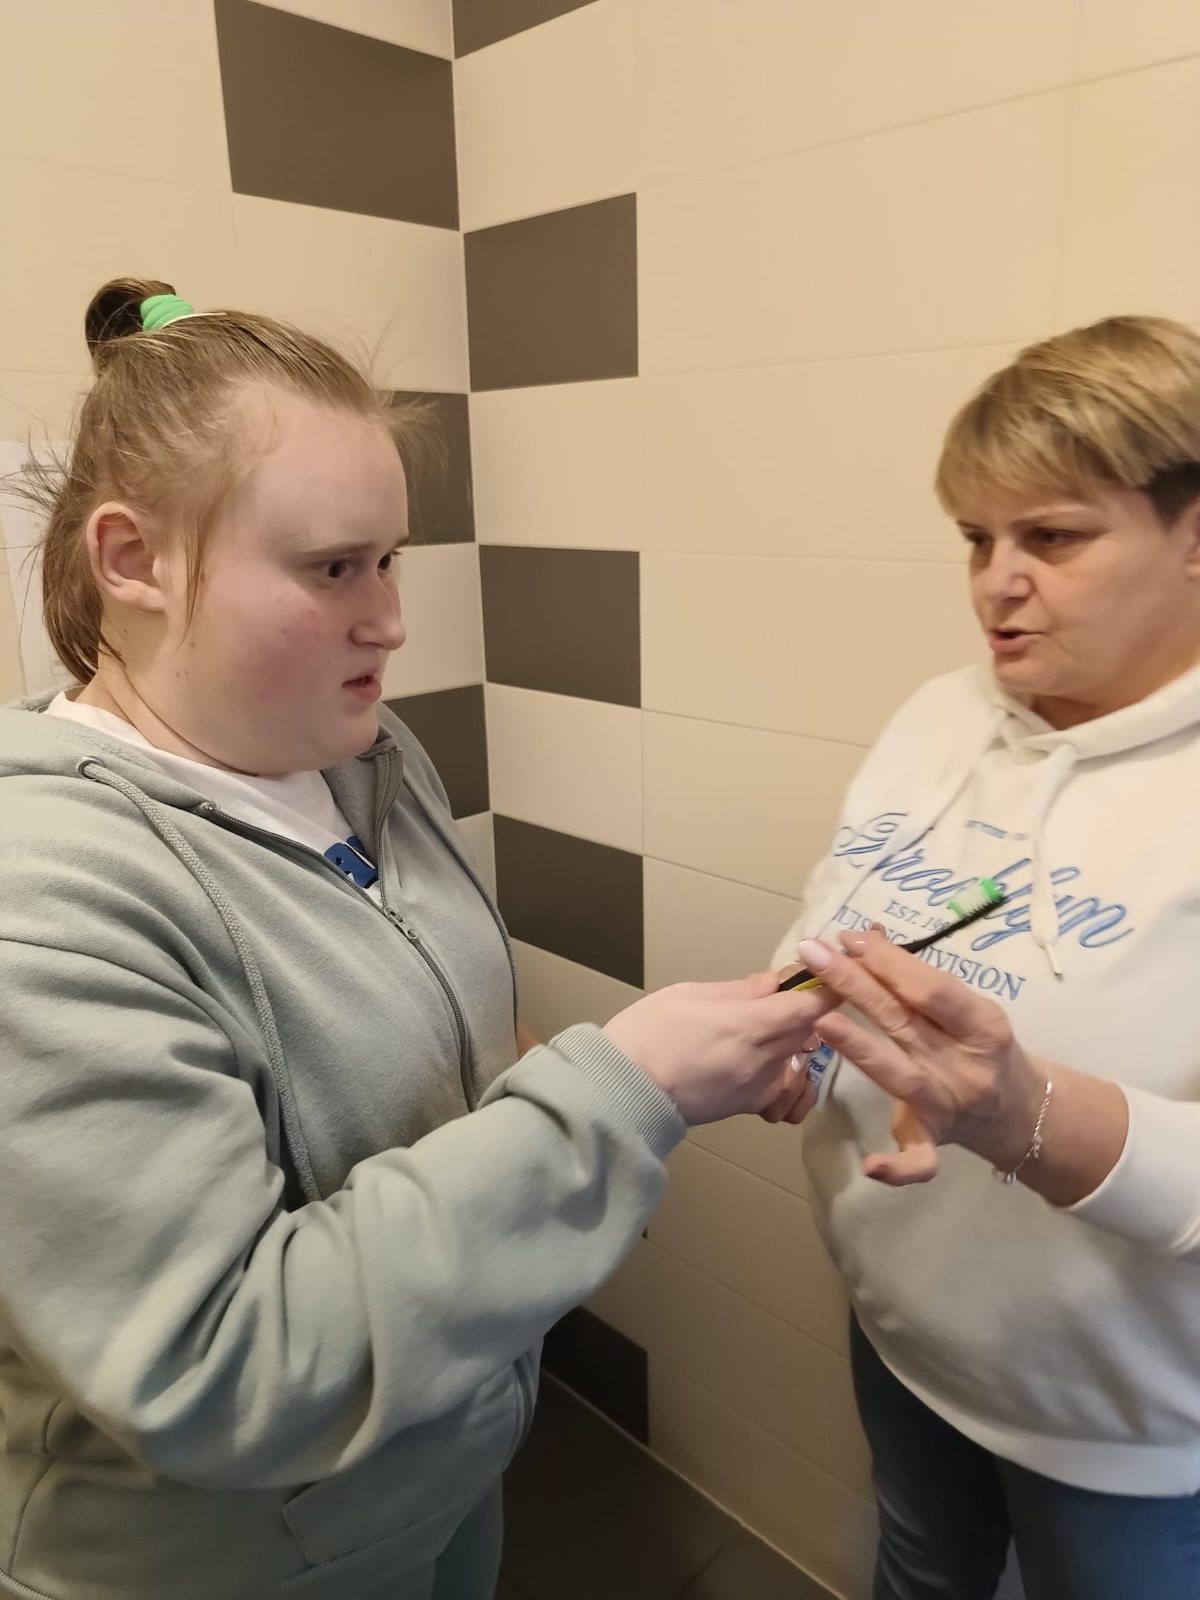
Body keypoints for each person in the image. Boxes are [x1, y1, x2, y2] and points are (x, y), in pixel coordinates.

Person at [0, 279, 832, 1600]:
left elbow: (458, 1040)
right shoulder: (43, 902)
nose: (390, 619)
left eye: (392, 560)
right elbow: (225, 1366)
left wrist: (668, 1072)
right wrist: (616, 1101)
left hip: (440, 1474)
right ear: (132, 560)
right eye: (335, 567)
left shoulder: (367, 754)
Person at [772, 314, 1200, 1600]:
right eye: (976, 537)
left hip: (1125, 1422)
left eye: (1051, 537)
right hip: (905, 1327)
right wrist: (786, 1025)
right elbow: (837, 920)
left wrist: (1021, 1112)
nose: (994, 583)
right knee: (919, 1569)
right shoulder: (943, 712)